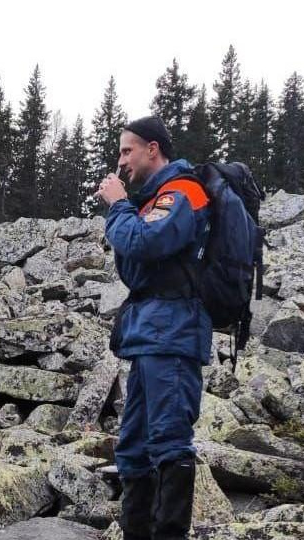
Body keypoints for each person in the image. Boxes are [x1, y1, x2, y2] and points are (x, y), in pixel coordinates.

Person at [96, 116, 212, 540]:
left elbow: (145, 243)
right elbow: (135, 264)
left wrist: (119, 205)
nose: (122, 160)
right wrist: (128, 212)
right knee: (134, 447)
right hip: (149, 335)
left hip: (172, 332)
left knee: (168, 440)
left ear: (152, 149)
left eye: (128, 150)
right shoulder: (154, 200)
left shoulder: (183, 191)